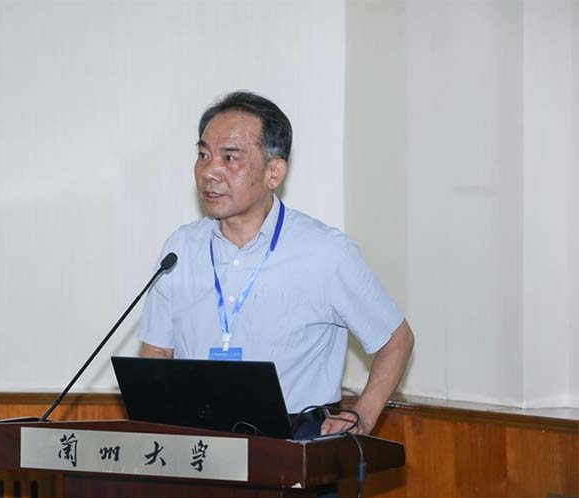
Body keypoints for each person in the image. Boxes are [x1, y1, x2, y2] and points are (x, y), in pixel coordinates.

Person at [137, 91, 414, 438]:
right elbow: (157, 349)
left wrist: (363, 416)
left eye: (229, 157)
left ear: (274, 172)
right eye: (203, 155)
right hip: (199, 439)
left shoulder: (324, 252)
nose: (209, 172)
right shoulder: (181, 249)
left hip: (293, 438)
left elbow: (396, 340)